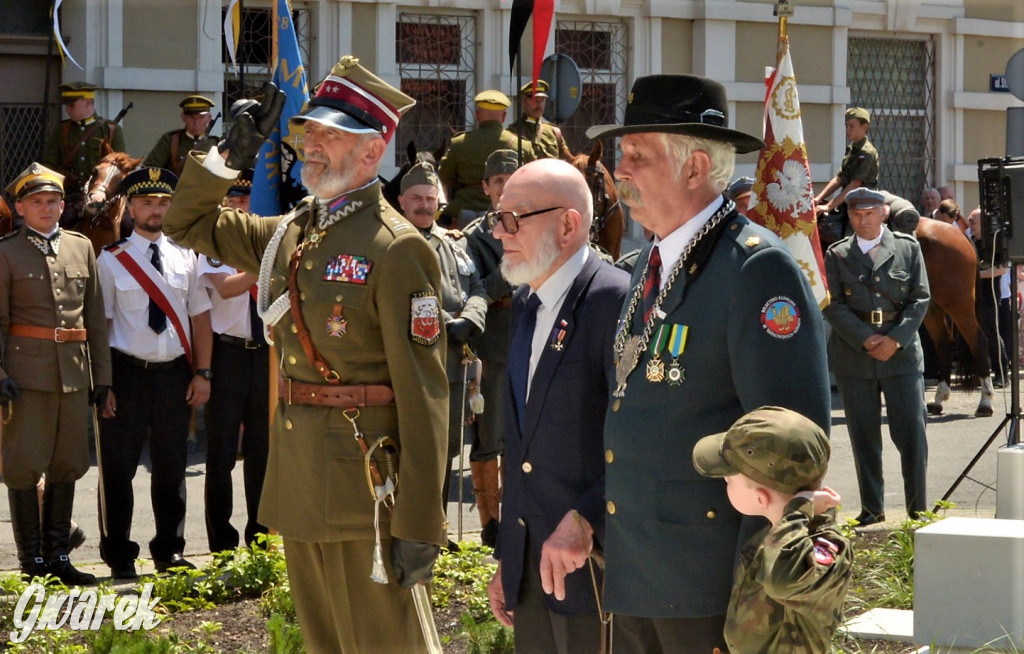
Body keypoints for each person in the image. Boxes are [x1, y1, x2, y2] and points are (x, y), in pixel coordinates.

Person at [162, 56, 449, 653]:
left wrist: (421, 521)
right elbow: (186, 224)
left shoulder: (397, 248)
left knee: (385, 643)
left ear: (372, 152)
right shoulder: (294, 231)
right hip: (299, 480)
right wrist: (226, 156)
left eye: (329, 134)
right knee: (323, 643)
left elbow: (425, 395)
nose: (310, 145)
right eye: (308, 132)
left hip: (366, 490)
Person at [587, 74, 831, 653]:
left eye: (636, 156)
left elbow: (790, 451)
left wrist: (752, 598)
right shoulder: (646, 260)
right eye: (622, 155)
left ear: (694, 169)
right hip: (639, 572)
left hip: (708, 589)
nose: (619, 170)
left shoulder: (754, 269)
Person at [485, 158, 629, 652]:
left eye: (514, 218)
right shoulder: (528, 301)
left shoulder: (616, 300)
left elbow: (636, 439)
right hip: (533, 568)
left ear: (568, 224)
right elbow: (522, 444)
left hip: (591, 565)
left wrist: (589, 518)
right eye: (496, 217)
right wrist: (511, 558)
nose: (500, 232)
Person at [96, 166, 214, 579]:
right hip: (127, 375)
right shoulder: (110, 261)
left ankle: (170, 549)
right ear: (130, 208)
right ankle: (119, 554)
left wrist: (204, 373)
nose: (155, 210)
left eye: (163, 202)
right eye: (146, 202)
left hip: (173, 376)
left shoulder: (187, 256)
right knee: (117, 468)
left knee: (171, 465)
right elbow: (102, 328)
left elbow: (200, 319)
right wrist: (103, 383)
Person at [0, 163, 111, 585]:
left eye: (52, 201)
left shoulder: (82, 247)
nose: (46, 209)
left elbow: (95, 318)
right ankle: (33, 564)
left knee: (68, 465)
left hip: (74, 374)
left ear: (64, 205)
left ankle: (58, 556)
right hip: (26, 376)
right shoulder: (7, 253)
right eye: (36, 202)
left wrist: (103, 378)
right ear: (21, 208)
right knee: (24, 467)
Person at [692, 406, 853, 653]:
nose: (724, 483)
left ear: (760, 498)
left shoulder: (823, 545)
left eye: (729, 479)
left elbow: (785, 581)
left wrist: (798, 510)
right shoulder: (773, 535)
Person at [822, 187, 930, 524]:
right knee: (863, 436)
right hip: (855, 355)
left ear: (883, 213)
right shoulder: (837, 254)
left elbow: (920, 299)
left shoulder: (907, 248)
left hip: (900, 355)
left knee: (912, 434)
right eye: (855, 214)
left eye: (869, 213)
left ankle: (918, 509)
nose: (862, 219)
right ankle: (872, 508)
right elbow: (833, 305)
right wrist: (866, 338)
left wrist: (894, 340)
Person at [396, 161, 487, 546]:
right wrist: (448, 321)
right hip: (415, 367)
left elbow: (479, 286)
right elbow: (403, 298)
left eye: (430, 199)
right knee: (415, 452)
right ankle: (410, 530)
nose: (424, 205)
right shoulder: (395, 244)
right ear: (401, 201)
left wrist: (472, 318)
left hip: (453, 366)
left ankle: (437, 527)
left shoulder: (453, 244)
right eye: (416, 198)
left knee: (449, 449)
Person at [198, 168, 270, 553]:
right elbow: (226, 289)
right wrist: (267, 262)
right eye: (235, 200)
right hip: (227, 356)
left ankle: (259, 536)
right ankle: (222, 543)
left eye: (248, 200)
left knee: (263, 451)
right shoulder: (214, 246)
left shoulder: (269, 242)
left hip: (265, 356)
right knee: (221, 453)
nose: (242, 207)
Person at [463, 148, 520, 547]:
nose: (504, 188)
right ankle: (490, 522)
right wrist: (516, 267)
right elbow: (477, 289)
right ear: (486, 188)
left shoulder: (536, 224)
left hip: (535, 342)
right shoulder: (473, 239)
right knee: (490, 438)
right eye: (498, 181)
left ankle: (522, 514)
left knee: (528, 435)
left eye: (511, 181)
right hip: (495, 347)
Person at [438, 90, 536, 227]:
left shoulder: (459, 143)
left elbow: (445, 176)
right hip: (509, 212)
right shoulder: (521, 145)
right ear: (504, 117)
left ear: (477, 115)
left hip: (462, 212)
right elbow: (532, 181)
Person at [41, 82, 127, 226]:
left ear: (88, 102)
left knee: (128, 225)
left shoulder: (111, 130)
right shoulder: (60, 130)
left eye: (72, 105)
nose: (67, 109)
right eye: (66, 105)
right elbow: (49, 164)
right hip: (71, 196)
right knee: (60, 224)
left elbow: (120, 167)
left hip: (105, 197)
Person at [814, 107, 879, 215]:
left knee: (851, 232)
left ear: (864, 127)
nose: (847, 130)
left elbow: (855, 184)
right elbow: (840, 179)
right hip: (849, 203)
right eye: (846, 125)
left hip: (864, 208)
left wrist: (829, 206)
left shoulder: (867, 152)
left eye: (851, 126)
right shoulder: (852, 149)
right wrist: (818, 198)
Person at [144, 95, 221, 177]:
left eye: (201, 118)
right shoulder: (170, 140)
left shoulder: (216, 144)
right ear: (183, 117)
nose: (196, 122)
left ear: (209, 118)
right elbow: (150, 169)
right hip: (176, 189)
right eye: (192, 118)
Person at [510, 80, 565, 159]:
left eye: (542, 99)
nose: (539, 104)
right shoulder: (513, 132)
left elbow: (571, 161)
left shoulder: (554, 132)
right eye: (535, 99)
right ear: (523, 102)